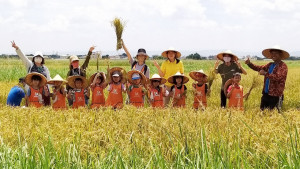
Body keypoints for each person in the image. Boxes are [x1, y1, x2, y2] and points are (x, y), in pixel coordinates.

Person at [245, 45, 289, 111]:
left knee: (274, 116)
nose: (273, 55)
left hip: (275, 96)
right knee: (262, 113)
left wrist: (265, 73)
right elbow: (258, 68)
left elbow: (278, 77)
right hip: (266, 94)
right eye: (272, 53)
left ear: (280, 54)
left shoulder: (283, 66)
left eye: (275, 53)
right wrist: (249, 64)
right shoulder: (270, 65)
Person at [11, 41, 51, 106]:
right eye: (36, 57)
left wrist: (48, 91)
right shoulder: (30, 65)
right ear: (34, 58)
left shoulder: (45, 69)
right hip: (31, 90)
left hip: (42, 91)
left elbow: (48, 79)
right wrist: (17, 48)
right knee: (31, 104)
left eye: (40, 57)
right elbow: (23, 57)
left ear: (42, 59)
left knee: (43, 106)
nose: (38, 58)